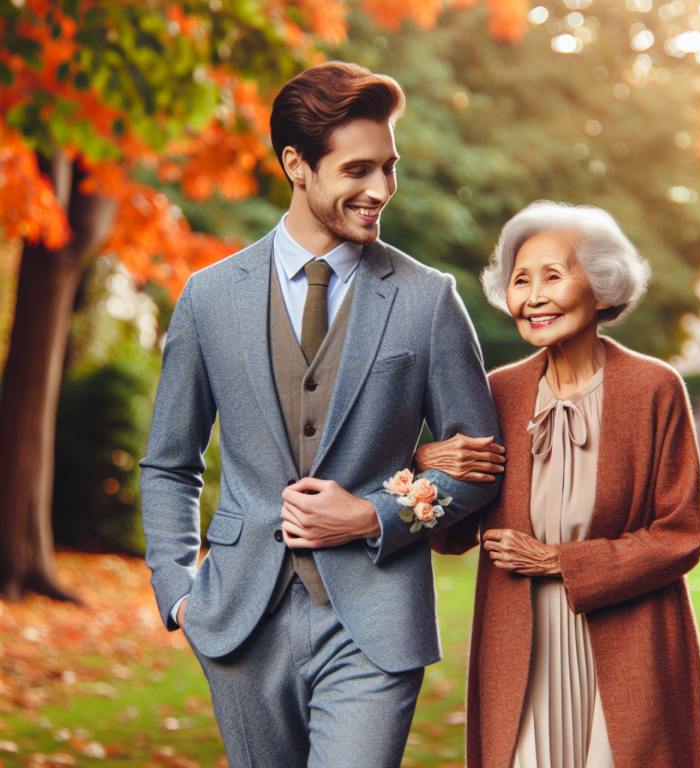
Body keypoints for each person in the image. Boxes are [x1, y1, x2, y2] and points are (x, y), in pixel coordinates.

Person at [139, 62, 503, 768]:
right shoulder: (209, 297)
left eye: (389, 169)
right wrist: (176, 587)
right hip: (240, 617)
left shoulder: (427, 299)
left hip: (375, 621)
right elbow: (169, 461)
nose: (380, 191)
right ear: (296, 165)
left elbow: (478, 466)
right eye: (358, 169)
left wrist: (373, 515)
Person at [422, 201, 700, 768]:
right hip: (521, 647)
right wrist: (431, 459)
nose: (532, 297)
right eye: (520, 280)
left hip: (632, 647)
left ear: (602, 287)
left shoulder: (655, 388)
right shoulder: (497, 393)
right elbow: (452, 529)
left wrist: (560, 562)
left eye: (553, 276)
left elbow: (681, 535)